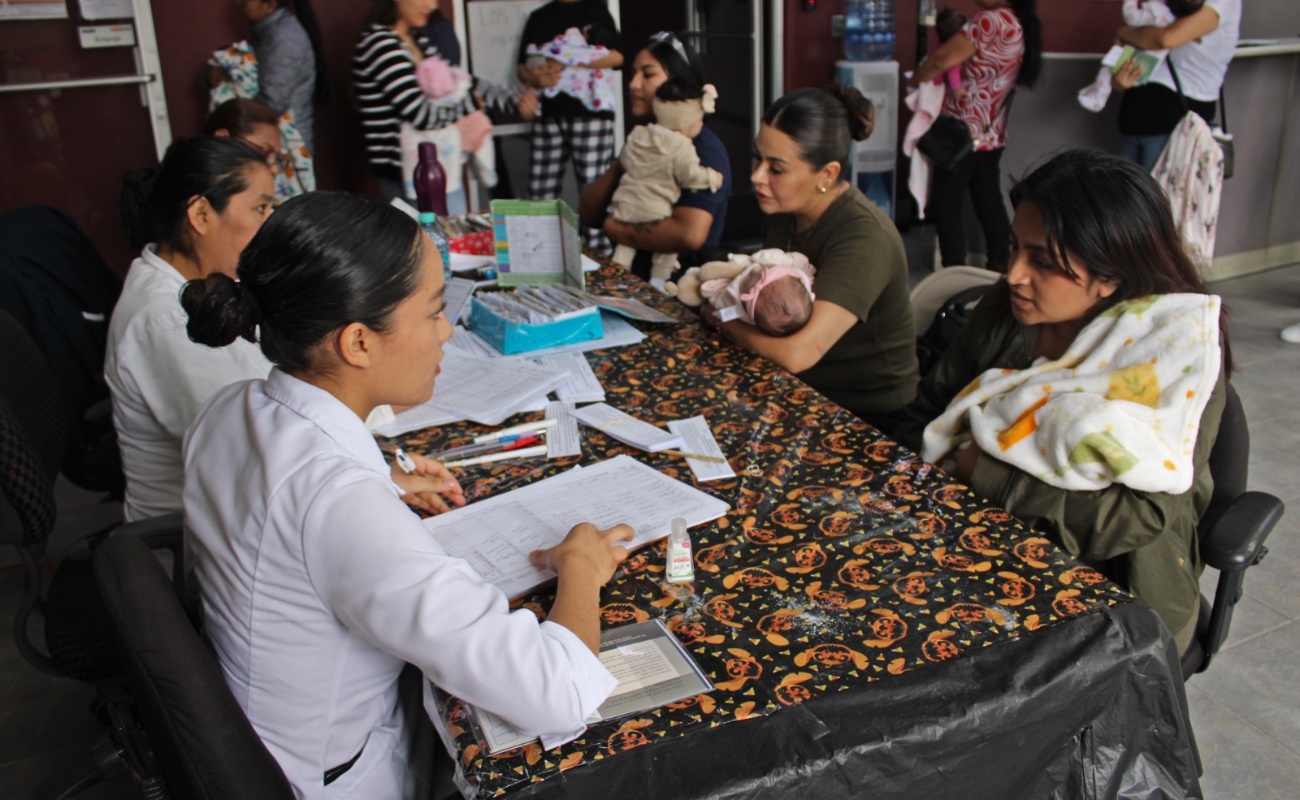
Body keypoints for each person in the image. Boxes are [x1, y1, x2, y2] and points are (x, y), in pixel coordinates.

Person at [179, 191, 630, 798]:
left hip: (262, 727)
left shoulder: (228, 408)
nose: (447, 331)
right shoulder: (340, 506)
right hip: (330, 778)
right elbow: (558, 692)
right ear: (359, 342)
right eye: (433, 312)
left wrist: (382, 480)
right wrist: (581, 569)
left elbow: (284, 507)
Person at [894, 149, 1233, 654]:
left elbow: (1136, 517)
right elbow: (932, 408)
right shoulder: (1010, 311)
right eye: (1014, 248)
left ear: (1110, 276)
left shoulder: (1170, 360)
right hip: (990, 538)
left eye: (1044, 263)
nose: (1013, 274)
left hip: (1119, 587)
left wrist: (982, 471)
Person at [706, 86, 918, 431]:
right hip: (802, 389)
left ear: (828, 174)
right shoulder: (783, 210)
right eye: (758, 159)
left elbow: (797, 353)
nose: (756, 176)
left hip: (867, 416)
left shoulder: (864, 236)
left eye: (776, 169)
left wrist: (722, 317)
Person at [109, 137, 276, 521]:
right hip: (195, 537)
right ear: (201, 214)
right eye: (260, 208)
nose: (270, 225)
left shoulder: (204, 285)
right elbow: (249, 449)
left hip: (241, 501)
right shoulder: (164, 318)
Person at [579, 32, 732, 279]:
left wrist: (615, 227)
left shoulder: (704, 150)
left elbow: (688, 235)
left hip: (676, 291)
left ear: (678, 84)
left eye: (648, 74)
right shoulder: (645, 139)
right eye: (634, 73)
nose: (633, 84)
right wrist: (622, 164)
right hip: (632, 282)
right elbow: (588, 213)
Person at [353, 0, 534, 206]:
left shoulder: (416, 39)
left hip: (440, 168)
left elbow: (457, 81)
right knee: (434, 237)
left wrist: (514, 100)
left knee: (452, 235)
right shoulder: (380, 43)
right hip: (409, 179)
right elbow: (423, 116)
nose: (432, 6)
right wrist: (474, 103)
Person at [909, 0, 1043, 271]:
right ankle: (1001, 264)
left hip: (961, 132)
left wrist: (915, 79)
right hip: (992, 132)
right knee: (988, 200)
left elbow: (941, 59)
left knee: (946, 205)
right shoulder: (1019, 22)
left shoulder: (988, 21)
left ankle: (954, 271)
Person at [516, 0, 624, 253]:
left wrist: (570, 58)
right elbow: (522, 66)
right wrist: (534, 76)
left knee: (593, 191)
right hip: (548, 114)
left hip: (591, 113)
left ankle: (599, 262)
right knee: (541, 192)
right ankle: (539, 257)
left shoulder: (596, 9)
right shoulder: (539, 16)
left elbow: (618, 55)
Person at [608, 79, 724, 286]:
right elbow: (690, 175)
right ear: (689, 121)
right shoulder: (682, 146)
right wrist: (712, 178)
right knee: (666, 252)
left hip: (624, 204)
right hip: (654, 210)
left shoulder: (638, 133)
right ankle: (659, 283)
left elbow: (625, 161)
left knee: (623, 252)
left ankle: (616, 276)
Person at [1112, 0, 1239, 171]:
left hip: (1175, 126)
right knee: (1127, 196)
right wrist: (1119, 80)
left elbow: (1167, 38)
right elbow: (1120, 73)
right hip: (1134, 121)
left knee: (1161, 197)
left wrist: (1125, 32)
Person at [228, 0, 328, 154]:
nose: (238, 2)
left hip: (287, 149)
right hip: (276, 142)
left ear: (270, 5)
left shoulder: (284, 38)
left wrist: (228, 117)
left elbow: (272, 103)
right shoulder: (267, 32)